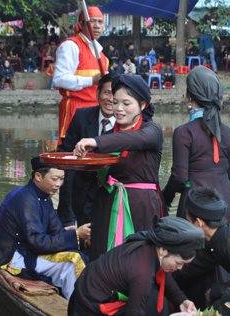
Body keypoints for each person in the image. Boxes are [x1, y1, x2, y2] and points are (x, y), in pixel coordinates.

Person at [73, 74, 164, 262]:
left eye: (126, 103)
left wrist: (96, 141)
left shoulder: (152, 131)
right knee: (102, 259)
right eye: (115, 103)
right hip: (106, 204)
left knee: (138, 262)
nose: (119, 109)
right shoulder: (107, 133)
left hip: (140, 207)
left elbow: (133, 139)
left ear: (143, 105)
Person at [0, 156, 91, 300]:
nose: (59, 184)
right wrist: (75, 235)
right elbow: (38, 243)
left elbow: (57, 232)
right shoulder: (26, 200)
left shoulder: (44, 197)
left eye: (62, 179)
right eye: (55, 179)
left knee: (86, 252)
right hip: (15, 256)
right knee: (74, 259)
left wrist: (78, 235)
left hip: (31, 249)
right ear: (38, 176)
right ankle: (77, 307)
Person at [69, 216, 204, 316]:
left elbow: (162, 275)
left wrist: (181, 300)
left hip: (82, 296)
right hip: (88, 309)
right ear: (163, 250)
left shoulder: (148, 244)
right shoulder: (142, 272)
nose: (179, 268)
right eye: (179, 263)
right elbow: (135, 313)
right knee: (153, 304)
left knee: (155, 299)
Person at [162, 66, 230, 226]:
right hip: (228, 205)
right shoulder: (226, 130)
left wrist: (164, 198)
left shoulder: (184, 132)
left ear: (190, 99)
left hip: (196, 208)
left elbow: (179, 178)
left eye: (185, 94)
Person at [53, 6, 109, 229]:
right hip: (75, 108)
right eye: (92, 21)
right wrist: (91, 81)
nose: (97, 25)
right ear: (81, 23)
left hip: (97, 111)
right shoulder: (70, 45)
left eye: (100, 22)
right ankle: (66, 217)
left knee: (93, 161)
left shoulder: (101, 54)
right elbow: (59, 79)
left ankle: (90, 215)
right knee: (70, 159)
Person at [57, 74, 116, 227]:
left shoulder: (127, 125)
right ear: (97, 93)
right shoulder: (81, 116)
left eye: (115, 94)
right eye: (107, 92)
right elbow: (65, 154)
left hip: (113, 195)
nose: (110, 99)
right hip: (82, 193)